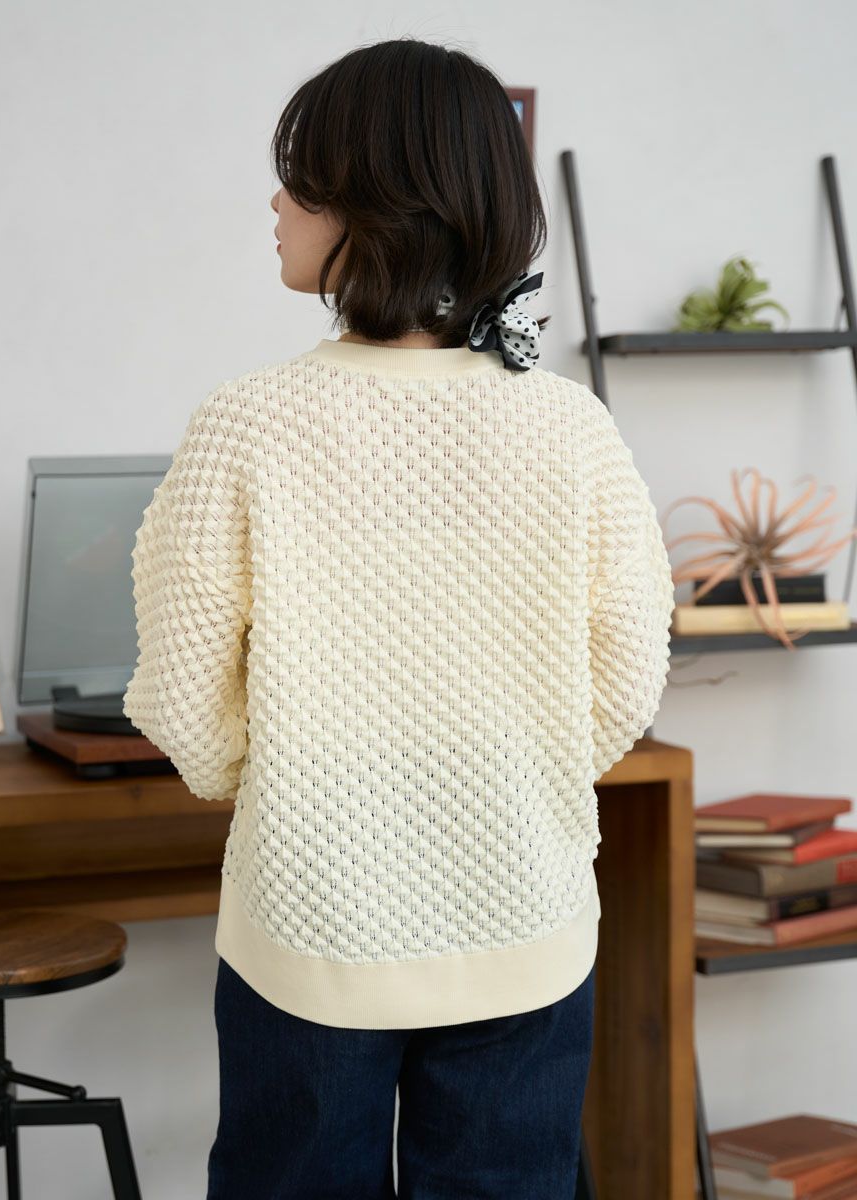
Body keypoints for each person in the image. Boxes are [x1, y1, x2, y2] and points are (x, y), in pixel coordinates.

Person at [122, 35, 676, 1200]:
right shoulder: (570, 426)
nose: (275, 203)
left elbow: (183, 694)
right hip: (524, 916)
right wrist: (516, 775)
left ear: (373, 202)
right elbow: (627, 672)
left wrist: (288, 786)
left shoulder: (250, 423)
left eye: (300, 178)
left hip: (310, 925)